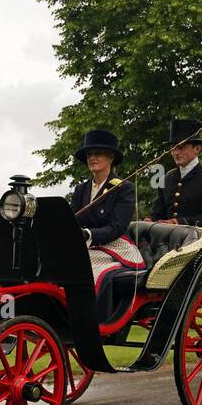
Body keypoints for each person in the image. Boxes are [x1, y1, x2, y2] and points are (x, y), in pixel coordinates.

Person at [70, 129, 144, 321]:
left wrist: (88, 234)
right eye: (89, 155)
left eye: (97, 154)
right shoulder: (81, 189)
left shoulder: (124, 188)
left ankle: (92, 319)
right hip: (86, 246)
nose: (92, 158)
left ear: (110, 157)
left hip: (115, 246)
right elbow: (73, 220)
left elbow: (117, 227)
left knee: (88, 267)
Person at [148, 118, 202, 229]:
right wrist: (150, 220)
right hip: (167, 242)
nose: (175, 152)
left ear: (197, 149)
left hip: (199, 241)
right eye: (173, 148)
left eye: (181, 147)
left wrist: (177, 222)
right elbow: (158, 213)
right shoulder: (166, 179)